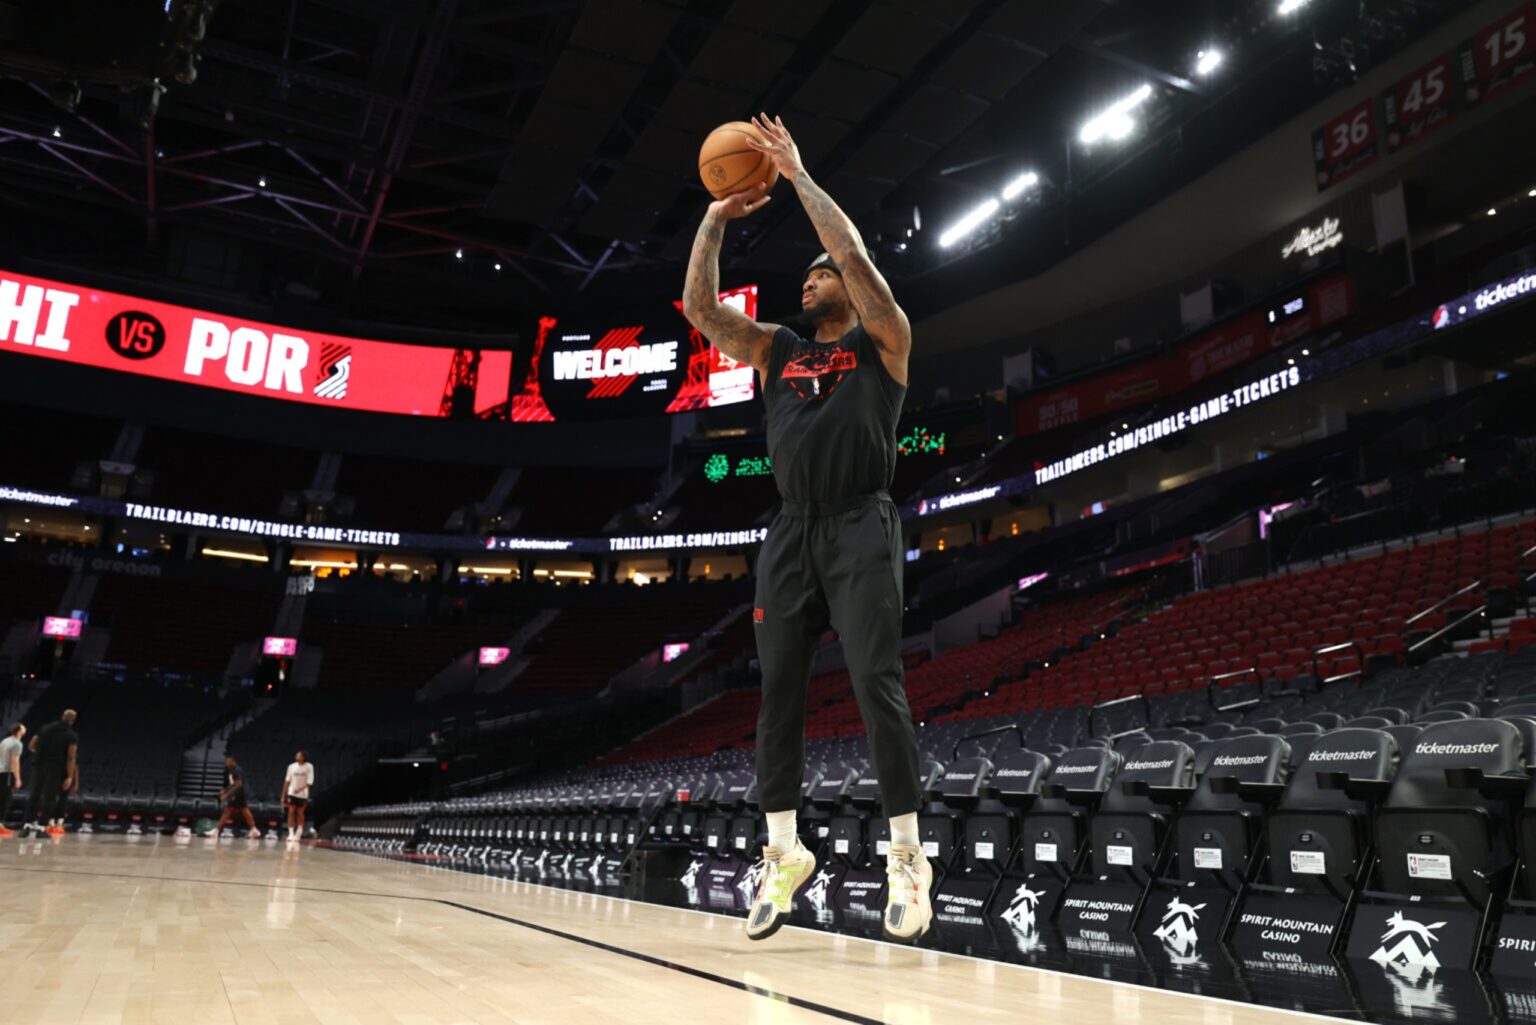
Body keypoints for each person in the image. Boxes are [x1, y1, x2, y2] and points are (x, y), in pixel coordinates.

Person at [681, 113, 930, 944]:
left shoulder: (882, 341)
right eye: (810, 277)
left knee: (873, 685)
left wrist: (795, 175)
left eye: (821, 276)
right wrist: (716, 218)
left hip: (861, 521)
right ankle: (783, 852)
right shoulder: (777, 348)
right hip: (791, 529)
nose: (810, 282)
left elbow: (855, 259)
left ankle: (907, 857)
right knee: (776, 695)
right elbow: (698, 307)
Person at [25, 709, 77, 837]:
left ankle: (27, 825)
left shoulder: (45, 728)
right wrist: (70, 776)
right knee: (49, 798)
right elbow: (71, 757)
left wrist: (43, 751)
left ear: (62, 716)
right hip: (55, 768)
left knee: (34, 795)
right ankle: (42, 828)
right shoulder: (71, 734)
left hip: (38, 765)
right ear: (72, 721)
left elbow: (31, 745)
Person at [214, 755, 261, 839]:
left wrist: (226, 794)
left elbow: (238, 784)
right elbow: (233, 784)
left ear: (232, 761)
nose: (226, 763)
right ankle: (254, 829)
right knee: (244, 810)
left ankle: (216, 830)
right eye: (225, 762)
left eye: (227, 762)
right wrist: (225, 790)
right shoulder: (230, 770)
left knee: (227, 811)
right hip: (236, 793)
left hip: (238, 793)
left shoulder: (237, 770)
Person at [283, 751, 314, 840]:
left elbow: (309, 782)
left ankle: (299, 831)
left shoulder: (309, 766)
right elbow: (287, 781)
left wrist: (300, 789)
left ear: (303, 757)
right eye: (296, 754)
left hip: (303, 794)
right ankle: (291, 833)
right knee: (291, 812)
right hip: (292, 793)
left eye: (299, 755)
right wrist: (283, 794)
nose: (296, 756)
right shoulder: (291, 766)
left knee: (300, 813)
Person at [0, 723, 24, 838]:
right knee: (5, 799)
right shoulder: (17, 743)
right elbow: (15, 761)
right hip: (6, 773)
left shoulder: (5, 740)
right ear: (19, 730)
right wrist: (18, 778)